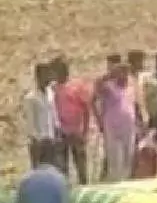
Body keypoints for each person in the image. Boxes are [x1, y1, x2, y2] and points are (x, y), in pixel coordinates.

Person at [51, 57, 93, 186]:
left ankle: (84, 187)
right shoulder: (52, 89)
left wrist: (85, 130)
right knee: (62, 165)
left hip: (76, 131)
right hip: (60, 132)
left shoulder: (77, 86)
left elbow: (86, 108)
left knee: (81, 164)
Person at [100, 63, 138, 182]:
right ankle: (114, 181)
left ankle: (126, 180)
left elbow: (134, 105)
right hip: (113, 128)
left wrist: (140, 122)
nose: (124, 75)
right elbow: (97, 88)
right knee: (114, 158)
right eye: (121, 72)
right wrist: (108, 75)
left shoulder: (131, 87)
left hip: (128, 127)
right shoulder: (109, 87)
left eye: (126, 72)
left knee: (129, 155)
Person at [22, 62, 60, 170]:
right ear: (38, 76)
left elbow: (53, 115)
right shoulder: (31, 98)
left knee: (52, 169)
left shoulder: (51, 94)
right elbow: (30, 122)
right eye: (45, 74)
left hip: (50, 139)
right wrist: (36, 139)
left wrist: (56, 131)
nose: (47, 77)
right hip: (38, 141)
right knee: (38, 170)